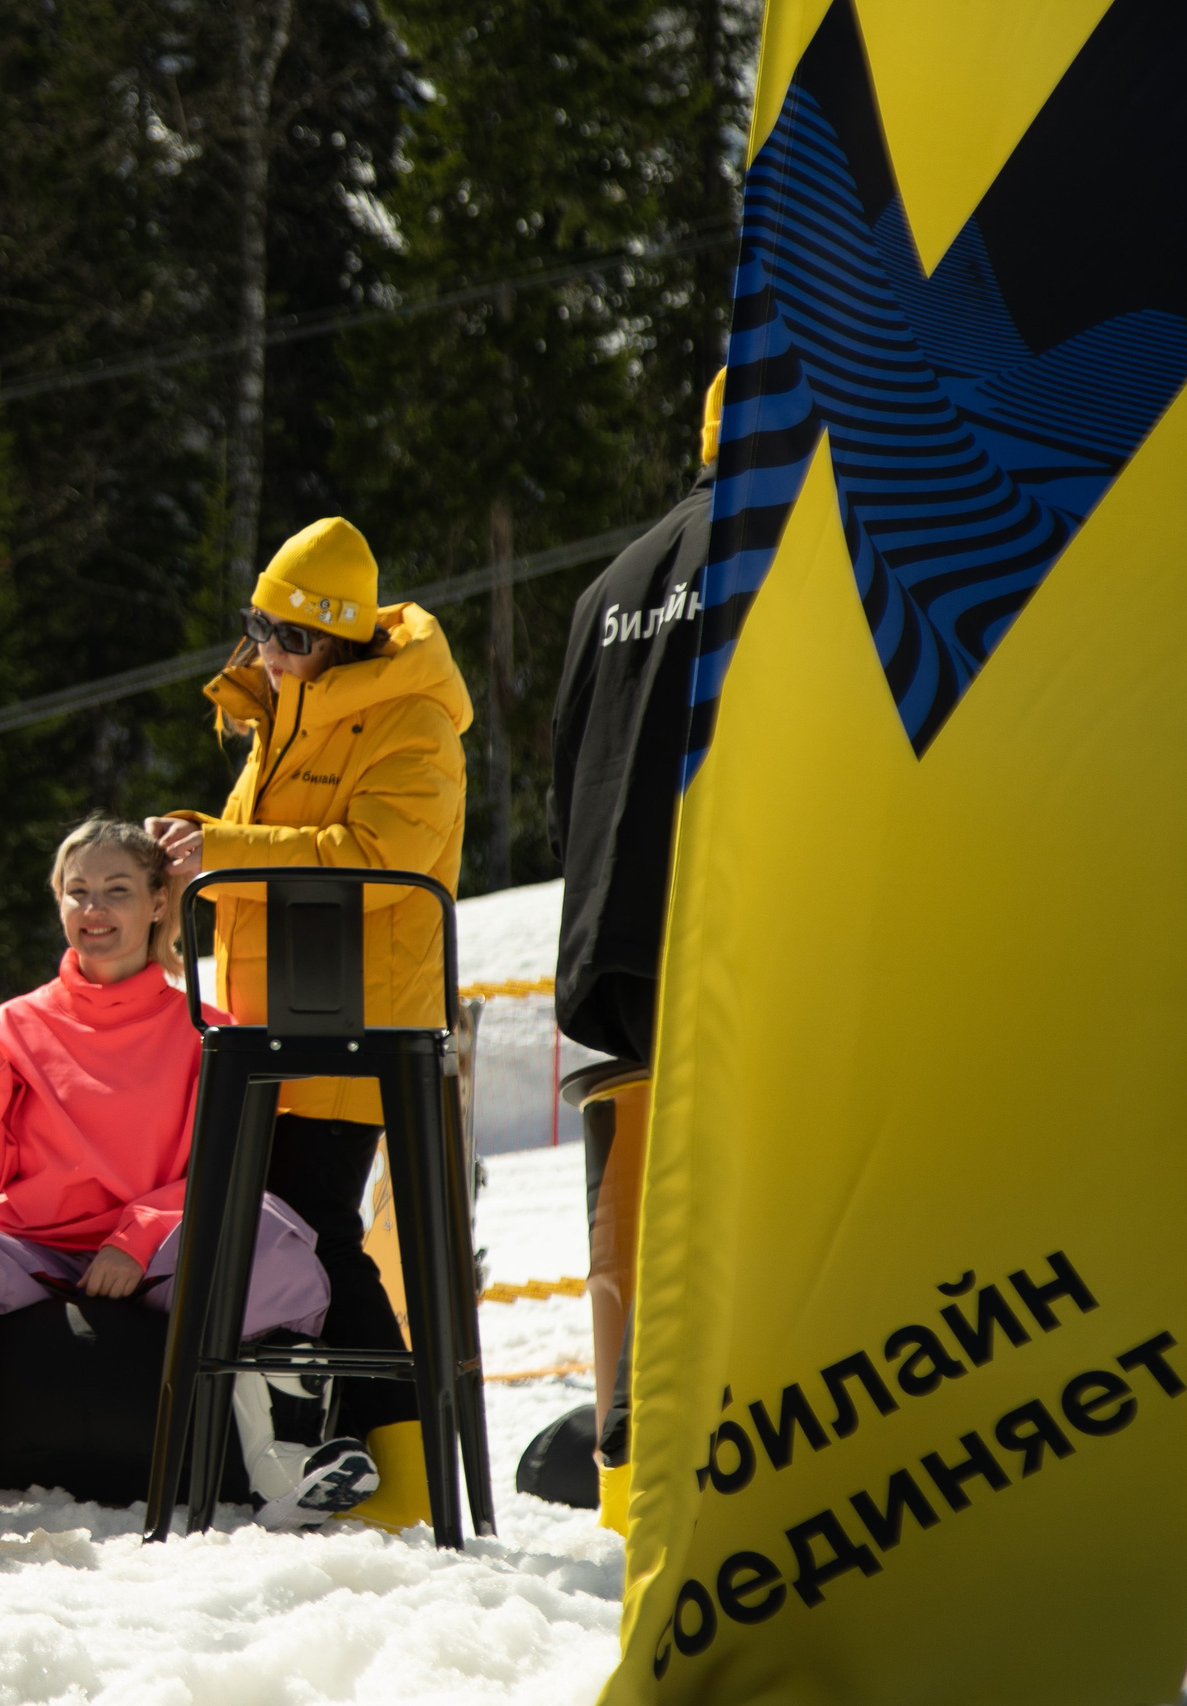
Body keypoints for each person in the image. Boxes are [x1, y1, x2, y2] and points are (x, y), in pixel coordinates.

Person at [0, 819, 378, 1526]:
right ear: (58, 904)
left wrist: (135, 1236)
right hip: (30, 1246)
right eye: (77, 892)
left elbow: (225, 1165)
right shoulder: (14, 1023)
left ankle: (285, 1466)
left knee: (271, 1239)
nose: (95, 910)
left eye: (117, 890)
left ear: (156, 904)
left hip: (155, 1251)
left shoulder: (208, 1025)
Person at [144, 514, 473, 1527]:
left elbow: (383, 858)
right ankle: (312, 1451)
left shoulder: (409, 719)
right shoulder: (286, 708)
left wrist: (224, 844)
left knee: (317, 1228)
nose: (268, 654)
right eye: (258, 629)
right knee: (278, 1233)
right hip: (266, 1018)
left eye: (289, 637)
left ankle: (408, 1467)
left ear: (338, 638)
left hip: (358, 1021)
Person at [537, 367, 726, 1524]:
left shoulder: (610, 584)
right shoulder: (797, 546)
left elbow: (572, 779)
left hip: (625, 937)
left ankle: (639, 1436)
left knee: (671, 1201)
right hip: (751, 922)